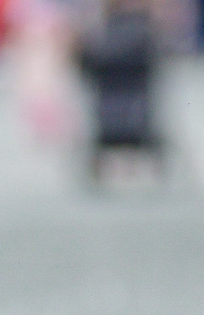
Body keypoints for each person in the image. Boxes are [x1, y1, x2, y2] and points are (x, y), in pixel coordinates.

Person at [73, 0, 164, 185]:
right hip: (139, 120)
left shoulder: (99, 39)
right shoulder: (145, 36)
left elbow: (84, 68)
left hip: (106, 124)